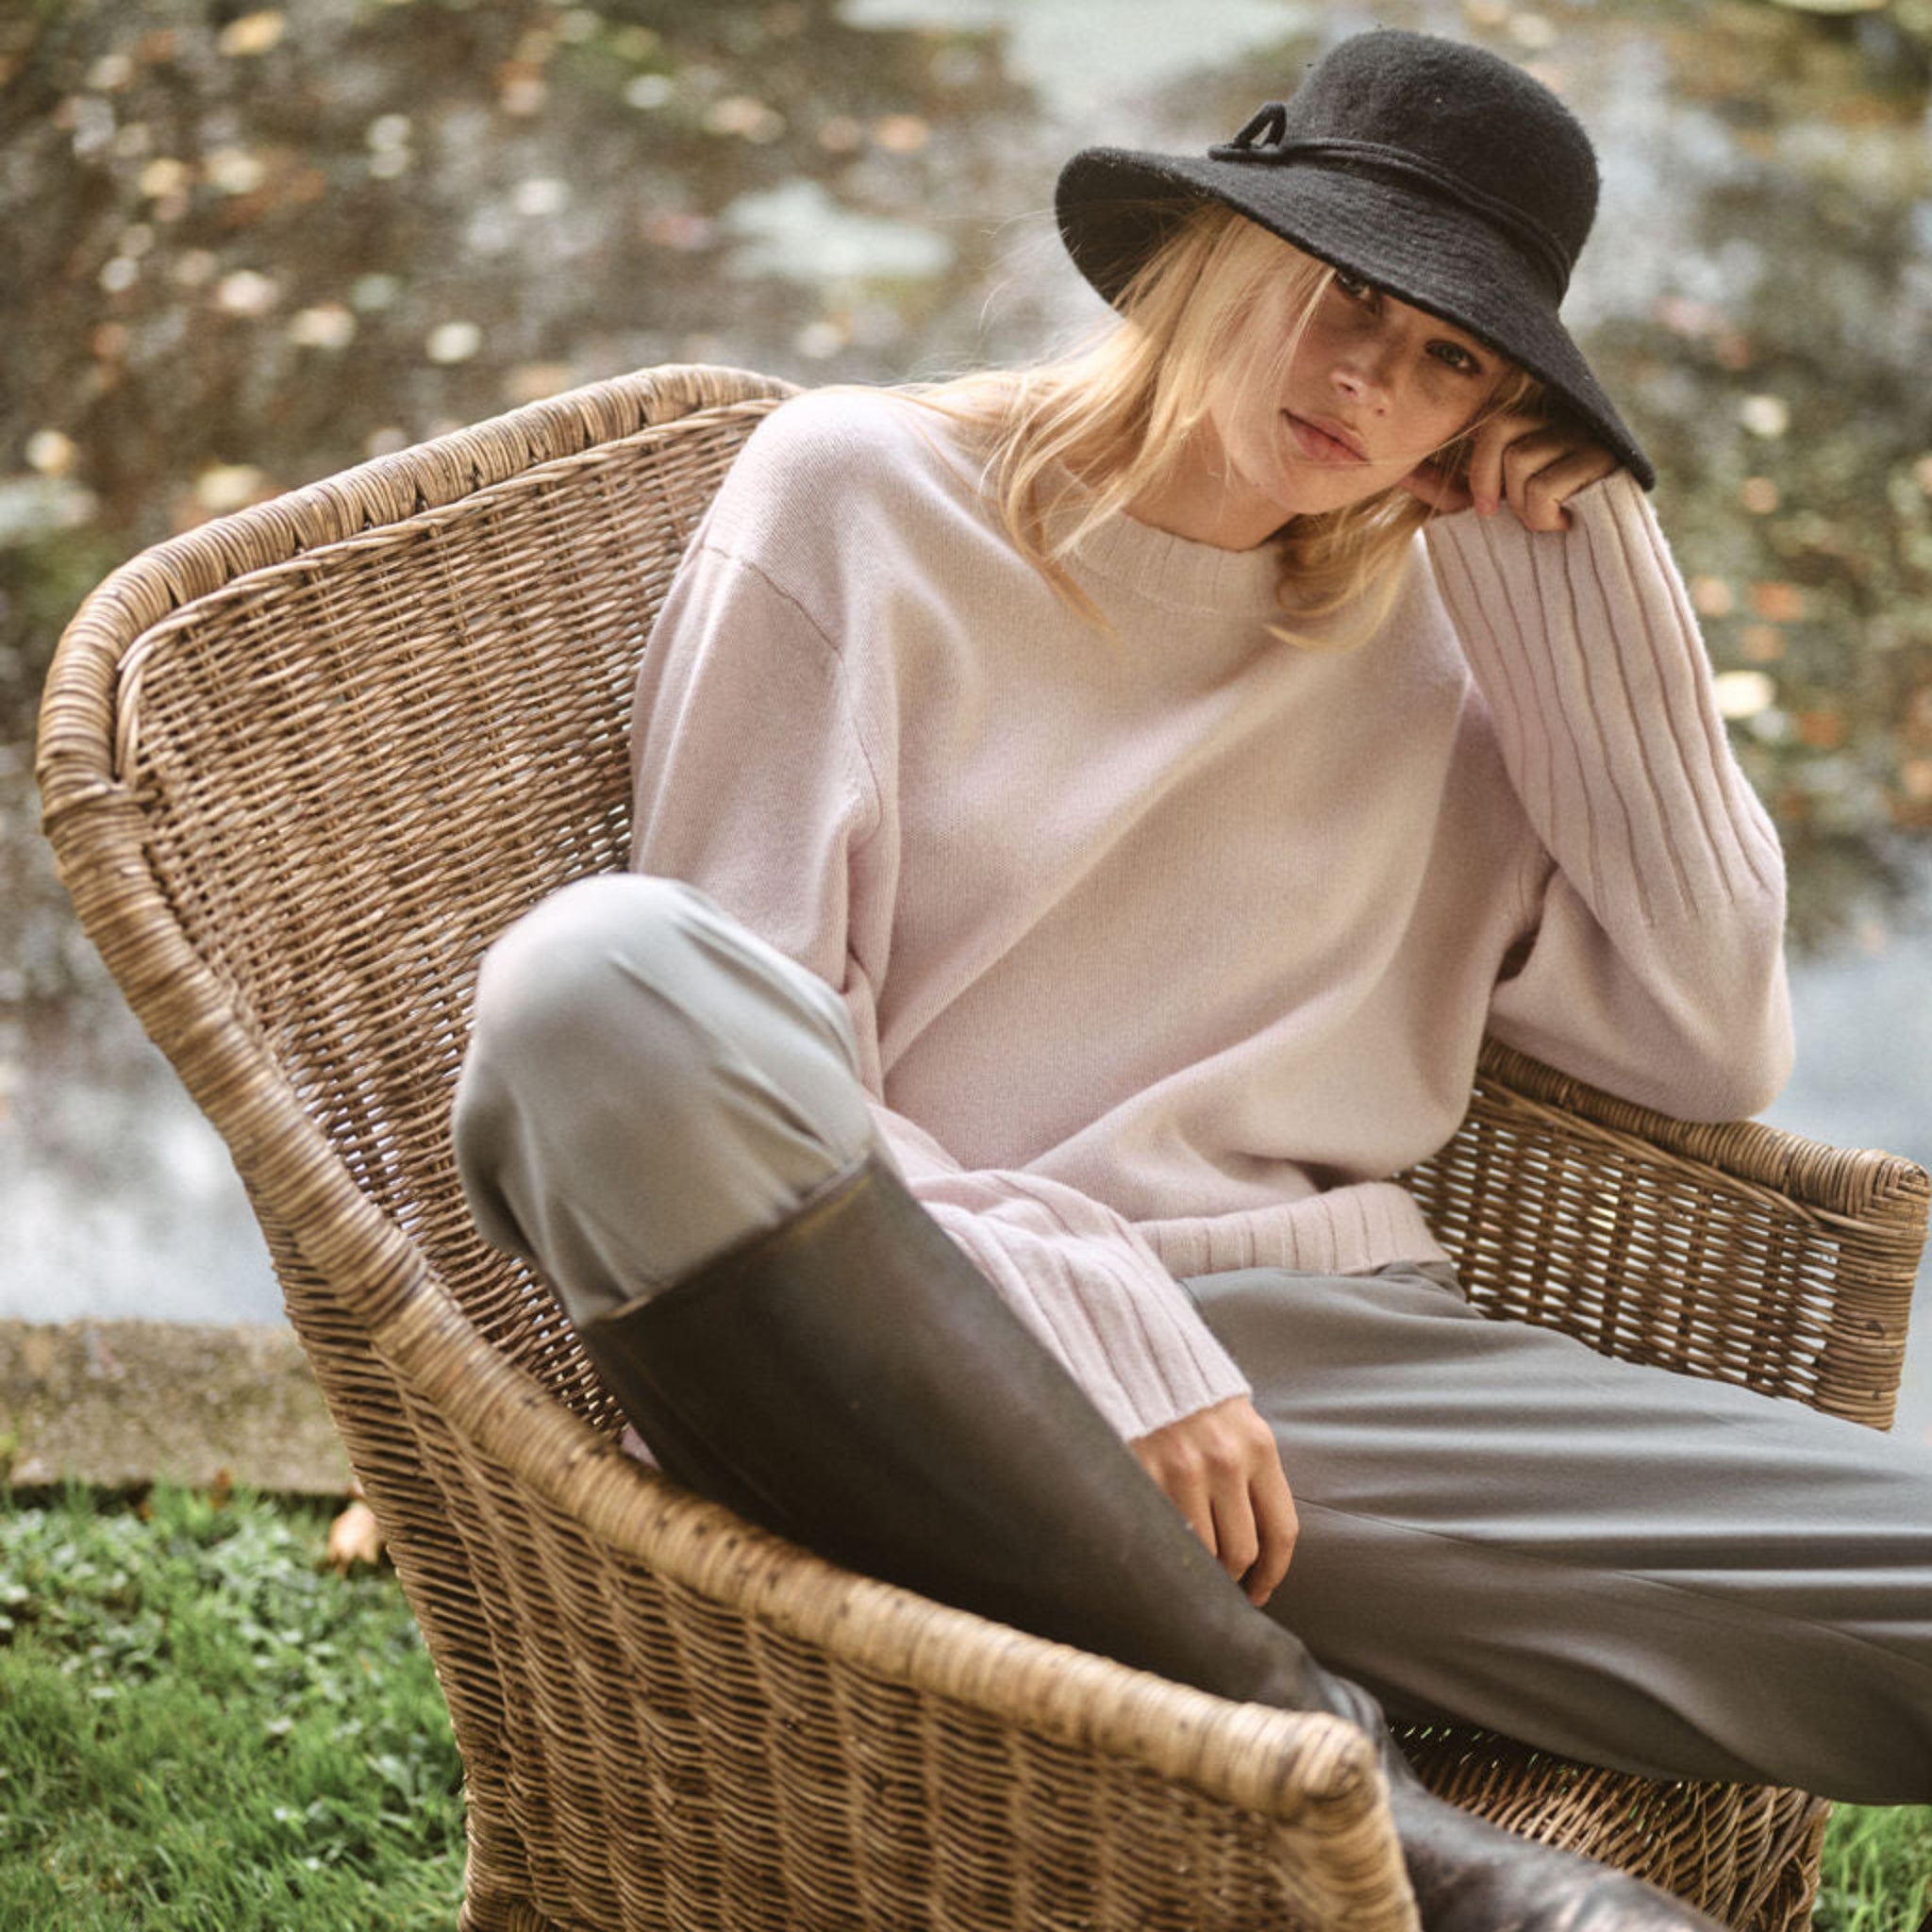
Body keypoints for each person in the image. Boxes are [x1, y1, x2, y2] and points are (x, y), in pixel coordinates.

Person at [451, 28, 1932, 1930]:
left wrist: (1584, 571)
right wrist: (1072, 1302)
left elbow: (1703, 1040)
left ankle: (1350, 1798)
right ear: (1222, 243)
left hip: (1335, 1391)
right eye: (1345, 295)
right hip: (918, 1348)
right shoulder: (858, 497)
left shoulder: (1451, 648)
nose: (1368, 381)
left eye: (1450, 357)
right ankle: (1416, 1850)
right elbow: (725, 1052)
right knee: (591, 978)